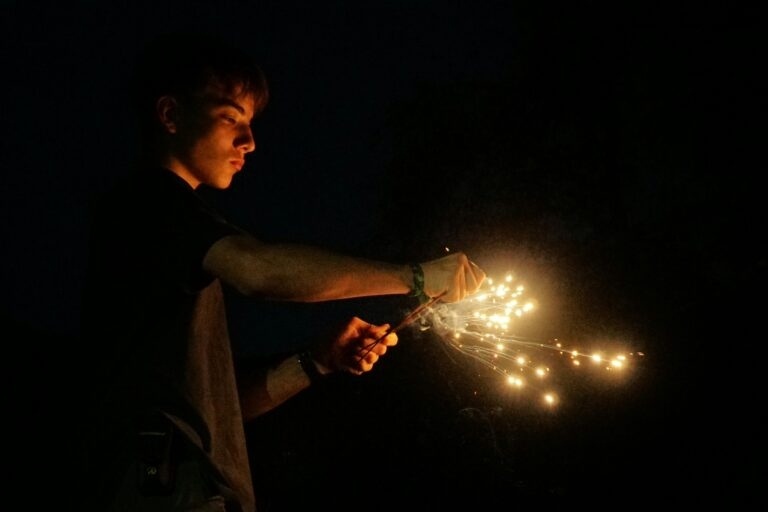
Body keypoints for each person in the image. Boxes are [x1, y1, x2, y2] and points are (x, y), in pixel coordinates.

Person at [78, 32, 485, 512]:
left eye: (250, 124)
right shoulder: (150, 202)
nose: (249, 142)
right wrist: (415, 277)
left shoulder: (168, 245)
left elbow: (223, 405)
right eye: (231, 117)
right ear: (170, 115)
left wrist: (317, 361)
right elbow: (258, 270)